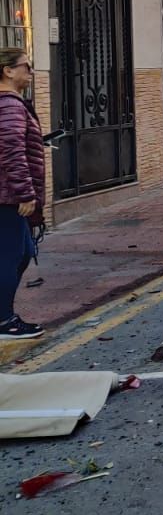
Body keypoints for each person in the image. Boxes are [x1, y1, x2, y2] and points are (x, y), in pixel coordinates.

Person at [0, 50, 45, 340]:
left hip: (7, 195)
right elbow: (11, 152)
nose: (30, 72)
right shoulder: (9, 106)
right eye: (26, 66)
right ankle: (4, 321)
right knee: (12, 255)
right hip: (8, 198)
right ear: (7, 71)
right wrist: (25, 195)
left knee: (24, 251)